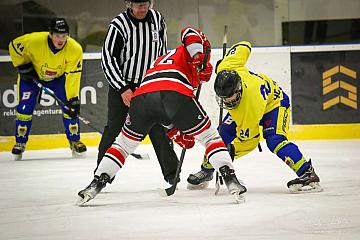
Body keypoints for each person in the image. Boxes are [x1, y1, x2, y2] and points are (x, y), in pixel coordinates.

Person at [76, 27, 247, 206]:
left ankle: (97, 182)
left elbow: (161, 108)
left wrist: (175, 131)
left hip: (142, 97)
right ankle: (231, 178)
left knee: (124, 144)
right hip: (174, 91)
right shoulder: (192, 49)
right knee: (210, 137)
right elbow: (189, 32)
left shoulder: (162, 60)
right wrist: (198, 56)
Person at [187, 41, 322, 193]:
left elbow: (250, 141)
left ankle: (307, 173)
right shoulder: (228, 66)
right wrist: (222, 64)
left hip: (274, 104)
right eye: (223, 98)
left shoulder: (248, 107)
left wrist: (231, 151)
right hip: (253, 101)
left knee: (274, 140)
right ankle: (207, 170)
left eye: (229, 98)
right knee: (219, 135)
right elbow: (245, 45)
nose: (225, 102)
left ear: (238, 90)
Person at [98, 0, 179, 184]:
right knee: (114, 129)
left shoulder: (158, 19)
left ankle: (173, 175)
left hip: (150, 85)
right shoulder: (118, 25)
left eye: (145, 4)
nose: (142, 8)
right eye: (137, 5)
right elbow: (108, 59)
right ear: (129, 4)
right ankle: (102, 175)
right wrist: (123, 88)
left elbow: (162, 53)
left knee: (160, 129)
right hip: (123, 85)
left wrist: (162, 81)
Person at [8, 18, 87, 160]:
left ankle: (74, 141)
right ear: (50, 34)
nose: (61, 39)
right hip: (32, 79)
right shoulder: (34, 41)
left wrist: (73, 98)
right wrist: (23, 66)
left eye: (64, 35)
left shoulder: (75, 49)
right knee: (25, 108)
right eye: (57, 35)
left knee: (69, 107)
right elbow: (13, 46)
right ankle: (20, 143)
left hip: (58, 80)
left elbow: (73, 76)